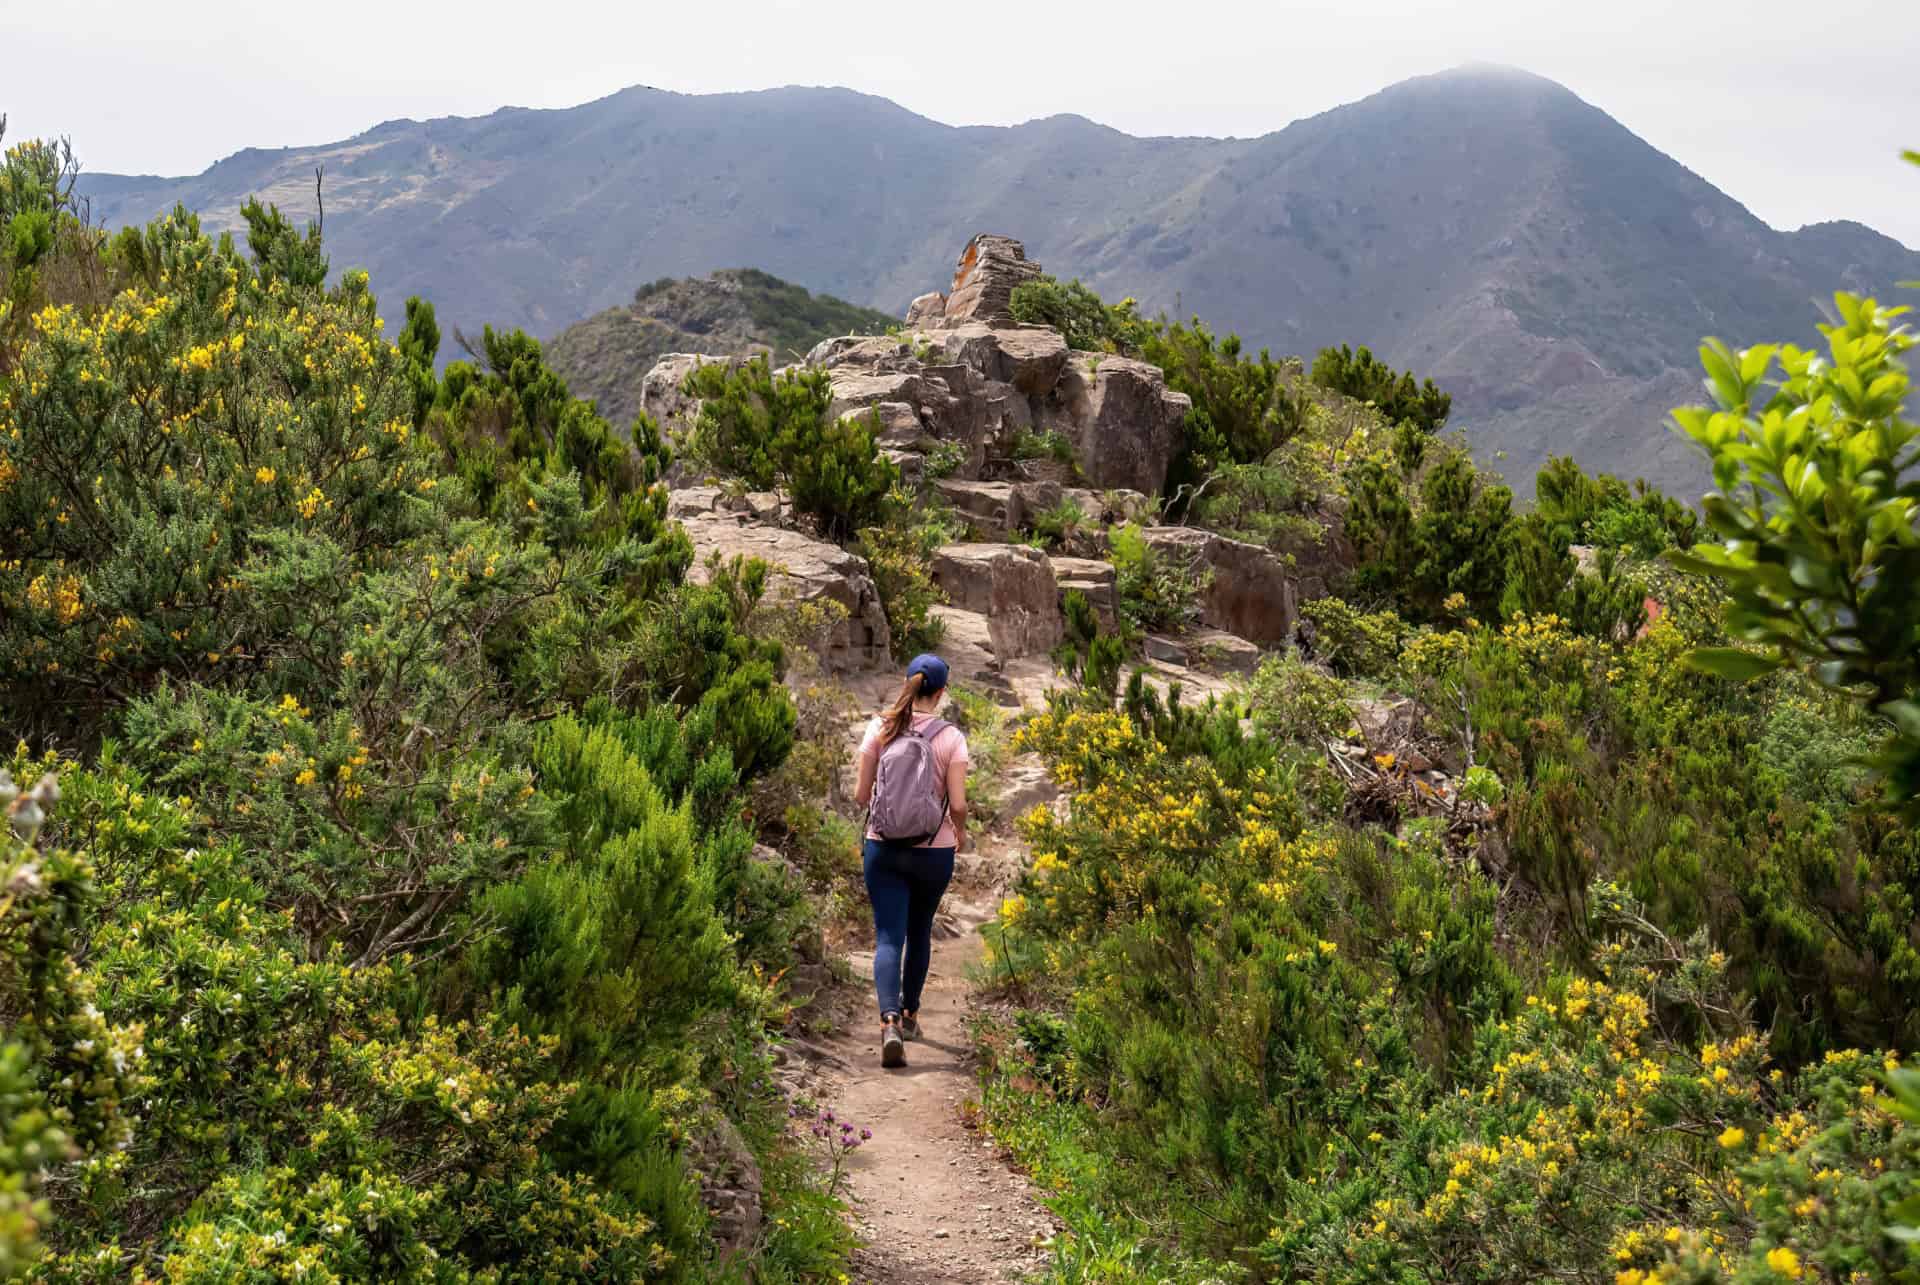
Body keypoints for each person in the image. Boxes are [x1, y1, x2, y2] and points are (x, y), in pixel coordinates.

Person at [853, 653, 969, 1068]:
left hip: (882, 848)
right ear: (940, 693)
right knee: (919, 932)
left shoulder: (880, 728)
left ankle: (888, 1024)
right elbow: (957, 803)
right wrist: (961, 833)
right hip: (933, 853)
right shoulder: (951, 738)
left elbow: (861, 796)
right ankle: (910, 1014)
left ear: (908, 684)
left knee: (887, 937)